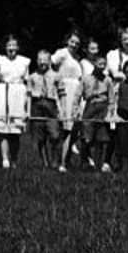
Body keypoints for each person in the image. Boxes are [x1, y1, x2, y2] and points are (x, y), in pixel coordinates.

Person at [0, 35, 30, 170]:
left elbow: (26, 81)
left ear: (17, 47)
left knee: (15, 130)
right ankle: (5, 159)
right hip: (3, 92)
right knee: (3, 130)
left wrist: (26, 106)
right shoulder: (0, 60)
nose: (11, 48)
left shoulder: (24, 61)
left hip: (18, 93)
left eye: (14, 45)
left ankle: (14, 159)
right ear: (5, 48)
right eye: (9, 46)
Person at [50, 31, 86, 173]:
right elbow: (50, 65)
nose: (74, 45)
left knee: (74, 130)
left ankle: (67, 160)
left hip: (76, 93)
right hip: (65, 92)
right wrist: (56, 82)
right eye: (72, 42)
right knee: (66, 129)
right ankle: (61, 162)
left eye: (77, 43)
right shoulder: (62, 53)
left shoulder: (77, 58)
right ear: (67, 41)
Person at [26, 50, 60, 169]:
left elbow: (61, 94)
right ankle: (45, 162)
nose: (42, 63)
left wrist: (62, 109)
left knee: (54, 135)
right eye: (40, 60)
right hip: (37, 105)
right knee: (40, 138)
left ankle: (55, 160)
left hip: (51, 105)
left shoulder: (56, 75)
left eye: (45, 60)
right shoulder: (32, 76)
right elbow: (29, 95)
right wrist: (28, 111)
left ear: (50, 61)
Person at [78, 55, 112, 172]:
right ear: (94, 65)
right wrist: (77, 109)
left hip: (103, 108)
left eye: (104, 64)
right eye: (99, 64)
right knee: (86, 137)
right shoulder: (86, 79)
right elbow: (78, 95)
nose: (102, 67)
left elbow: (111, 99)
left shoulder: (107, 80)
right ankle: (85, 161)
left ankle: (98, 165)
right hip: (90, 106)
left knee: (101, 138)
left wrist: (109, 113)